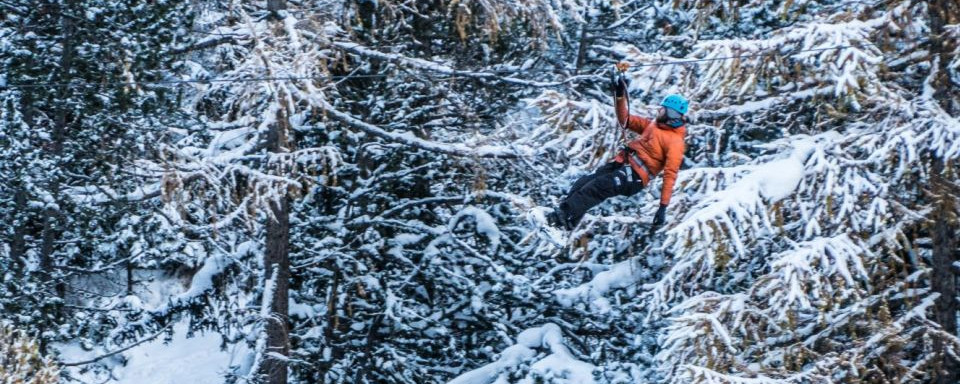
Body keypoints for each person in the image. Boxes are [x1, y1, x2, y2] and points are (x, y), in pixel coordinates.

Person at [548, 76, 688, 232]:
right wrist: (620, 95)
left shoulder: (675, 142)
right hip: (623, 164)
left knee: (598, 186)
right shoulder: (653, 126)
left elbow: (670, 174)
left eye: (662, 109)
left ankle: (562, 216)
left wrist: (663, 207)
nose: (658, 111)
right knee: (583, 183)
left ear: (671, 113)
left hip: (634, 176)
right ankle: (566, 221)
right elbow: (625, 120)